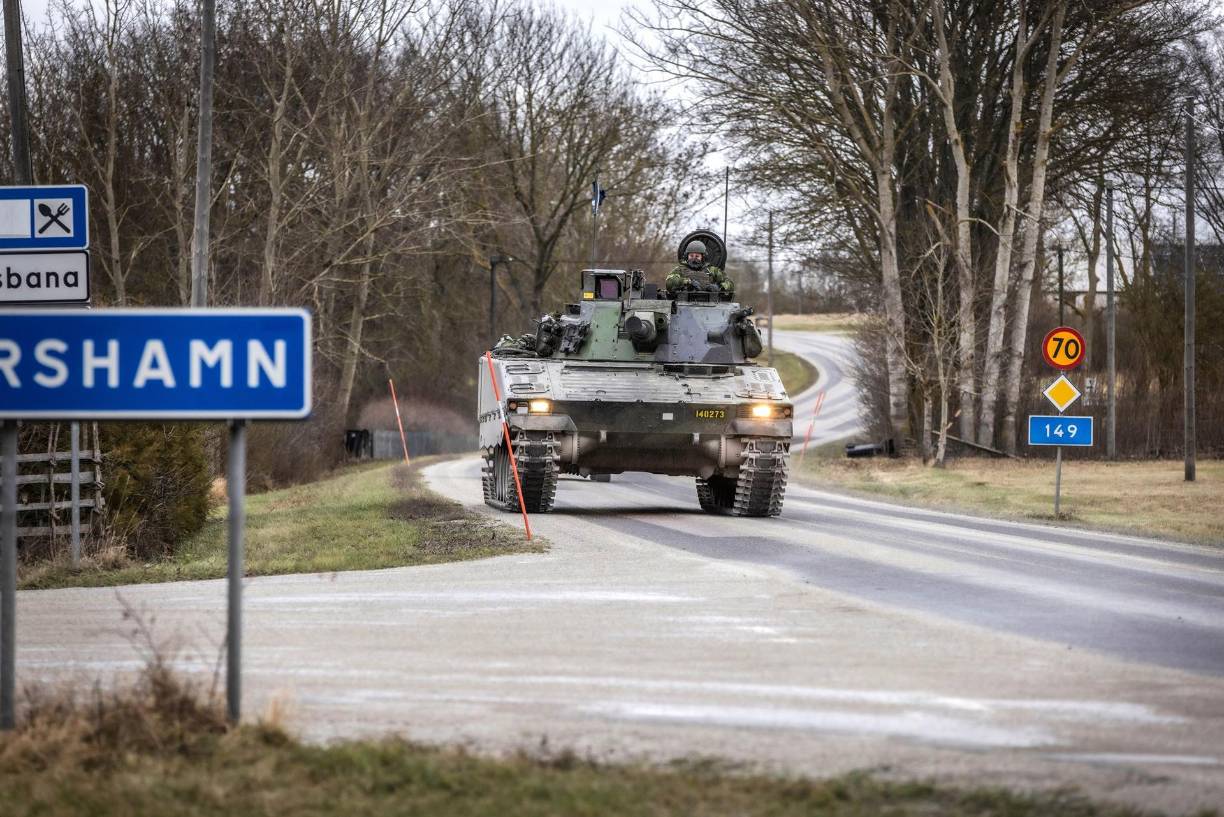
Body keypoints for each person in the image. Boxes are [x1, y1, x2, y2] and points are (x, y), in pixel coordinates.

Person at [665, 240, 734, 298]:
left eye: (697, 256)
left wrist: (718, 288)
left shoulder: (712, 270)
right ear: (687, 256)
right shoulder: (679, 270)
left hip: (710, 305)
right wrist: (687, 282)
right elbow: (669, 282)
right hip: (684, 303)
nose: (694, 259)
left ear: (703, 257)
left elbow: (729, 284)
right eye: (691, 256)